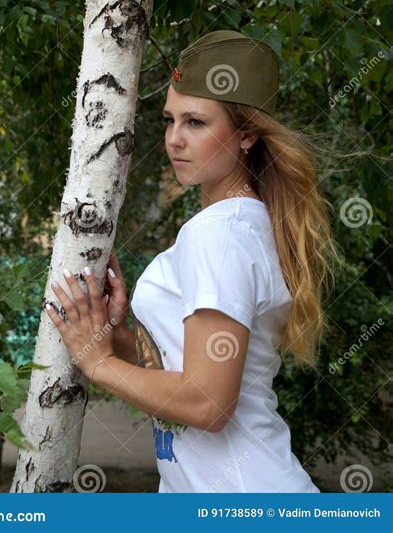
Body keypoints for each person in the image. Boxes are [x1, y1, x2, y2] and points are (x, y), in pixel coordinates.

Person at [46, 29, 341, 493]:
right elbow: (182, 379)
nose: (174, 140)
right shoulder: (245, 224)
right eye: (169, 120)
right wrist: (120, 337)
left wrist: (96, 361)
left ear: (246, 137)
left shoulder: (218, 233)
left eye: (196, 123)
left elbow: (208, 405)